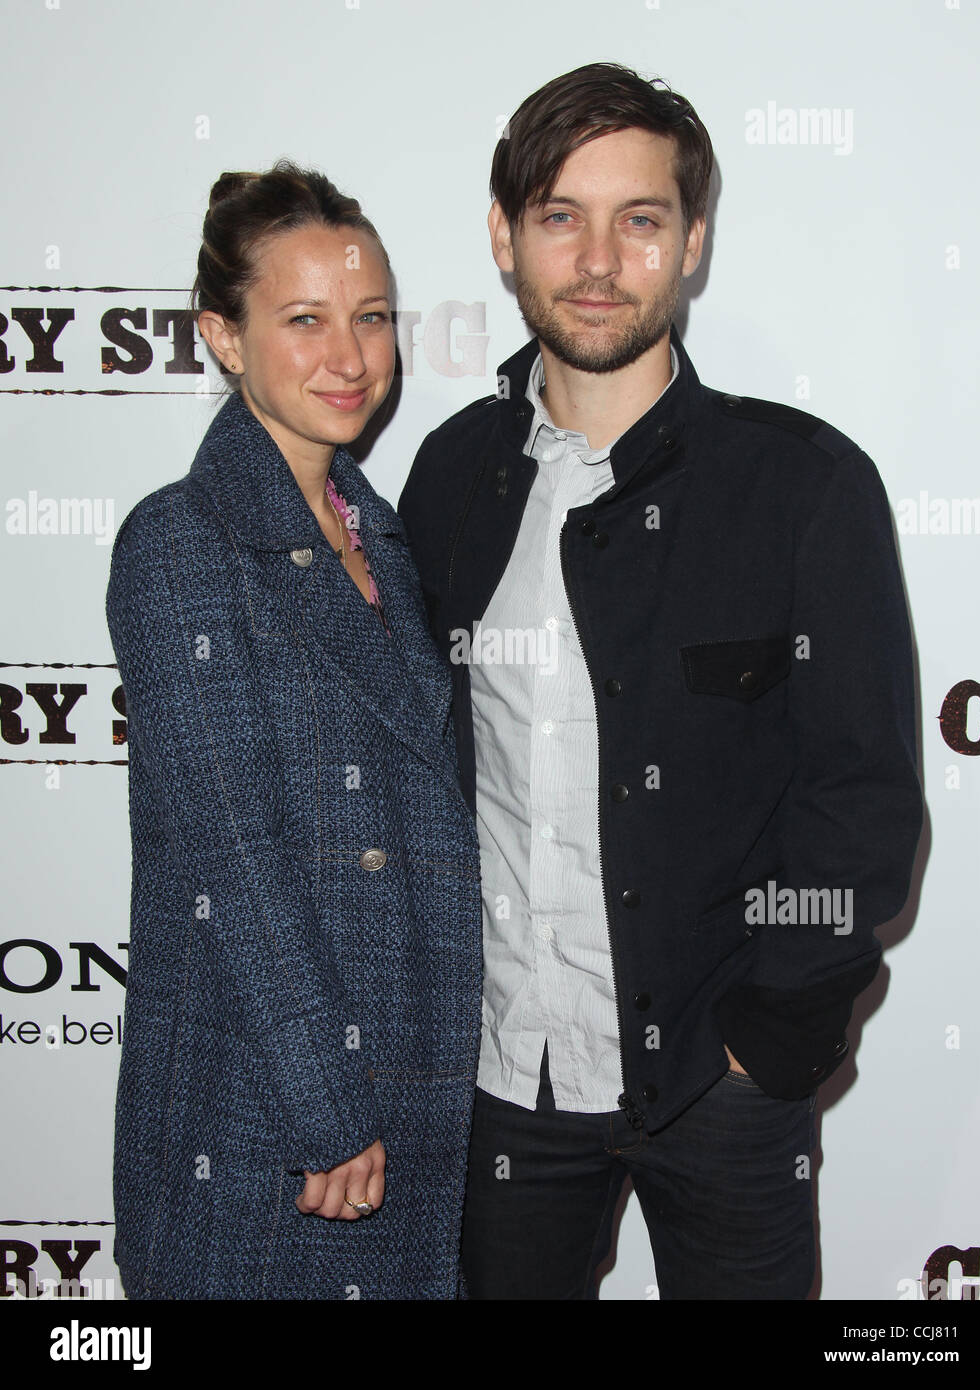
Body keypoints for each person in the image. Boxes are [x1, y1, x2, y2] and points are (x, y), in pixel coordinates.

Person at [397, 63, 923, 1299]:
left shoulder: (801, 487)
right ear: (503, 236)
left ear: (690, 244)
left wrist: (767, 1037)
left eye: (637, 220)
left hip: (717, 1082)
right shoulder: (450, 478)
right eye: (558, 216)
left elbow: (861, 806)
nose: (596, 259)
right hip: (501, 1079)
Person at [106, 160, 482, 1300]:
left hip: (407, 1074)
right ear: (224, 336)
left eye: (371, 319)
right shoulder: (181, 543)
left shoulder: (384, 535)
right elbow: (237, 858)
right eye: (304, 320)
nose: (350, 358)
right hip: (270, 1108)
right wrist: (325, 1110)